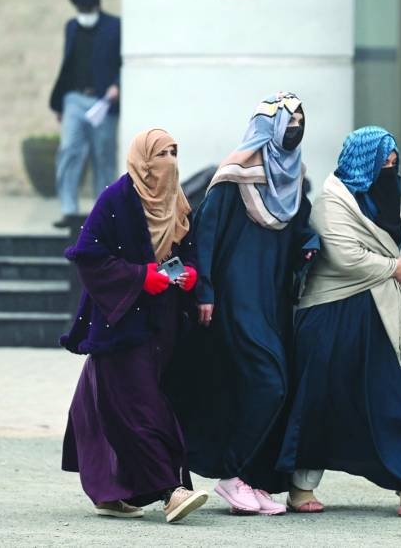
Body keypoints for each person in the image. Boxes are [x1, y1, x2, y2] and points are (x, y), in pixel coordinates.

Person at [276, 127, 401, 517]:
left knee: (390, 401)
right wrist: (395, 268)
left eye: (394, 165)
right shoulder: (331, 203)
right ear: (362, 163)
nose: (389, 173)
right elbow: (346, 256)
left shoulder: (385, 201)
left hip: (381, 321)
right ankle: (299, 488)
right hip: (331, 318)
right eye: (382, 165)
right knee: (320, 405)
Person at [170, 92, 317, 516]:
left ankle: (251, 479)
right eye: (289, 120)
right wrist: (205, 292)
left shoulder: (293, 179)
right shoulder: (233, 177)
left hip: (272, 300)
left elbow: (299, 229)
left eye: (301, 119)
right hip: (236, 299)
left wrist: (310, 244)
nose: (296, 127)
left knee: (271, 384)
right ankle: (233, 476)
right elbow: (206, 236)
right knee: (269, 381)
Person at [59, 128, 209, 523]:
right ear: (142, 159)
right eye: (162, 153)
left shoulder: (177, 201)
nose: (170, 161)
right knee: (141, 408)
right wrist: (141, 276)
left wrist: (191, 276)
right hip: (118, 323)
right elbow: (88, 255)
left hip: (161, 326)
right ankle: (170, 492)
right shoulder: (117, 198)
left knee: (106, 405)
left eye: (175, 152)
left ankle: (110, 490)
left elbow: (189, 250)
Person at [49, 0, 122, 227]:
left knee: (103, 156)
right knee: (69, 150)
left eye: (86, 7)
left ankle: (103, 213)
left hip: (104, 102)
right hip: (74, 99)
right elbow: (67, 65)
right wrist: (60, 104)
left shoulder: (115, 27)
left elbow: (125, 61)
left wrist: (117, 85)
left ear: (97, 5)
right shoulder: (71, 27)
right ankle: (69, 210)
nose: (83, 12)